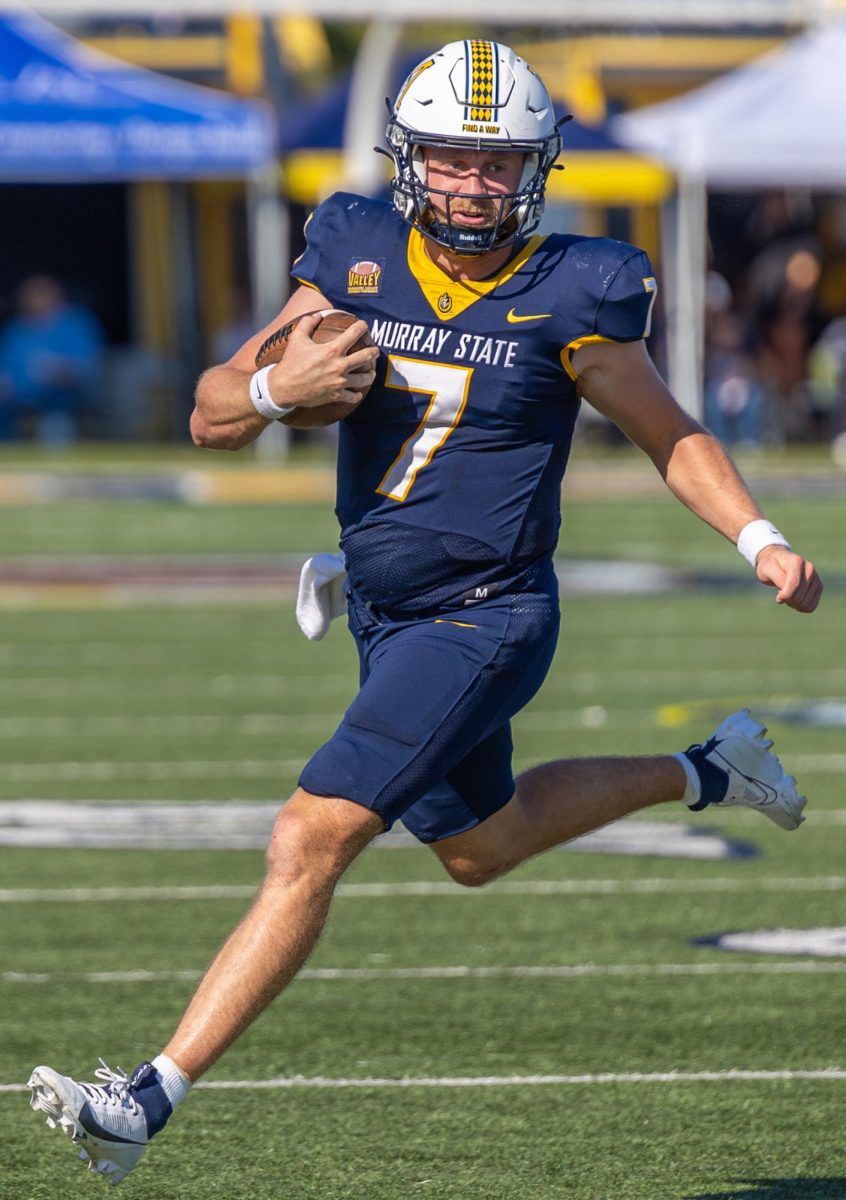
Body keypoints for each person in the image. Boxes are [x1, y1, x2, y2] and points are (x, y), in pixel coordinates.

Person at [28, 41, 822, 1186]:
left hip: (488, 614)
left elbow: (671, 433)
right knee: (477, 848)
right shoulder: (352, 253)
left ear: (536, 169)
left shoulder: (574, 288)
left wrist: (761, 539)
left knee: (309, 837)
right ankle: (710, 769)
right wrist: (267, 390)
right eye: (451, 157)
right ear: (409, 160)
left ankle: (145, 1102)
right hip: (390, 615)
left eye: (497, 164)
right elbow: (211, 411)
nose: (473, 185)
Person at [0, 275, 103, 445]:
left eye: (40, 294)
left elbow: (88, 365)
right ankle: (7, 451)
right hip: (19, 392)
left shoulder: (75, 323)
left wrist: (59, 369)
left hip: (62, 390)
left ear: (56, 296)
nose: (35, 300)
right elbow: (5, 365)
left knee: (59, 397)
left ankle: (57, 448)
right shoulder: (16, 328)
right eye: (30, 295)